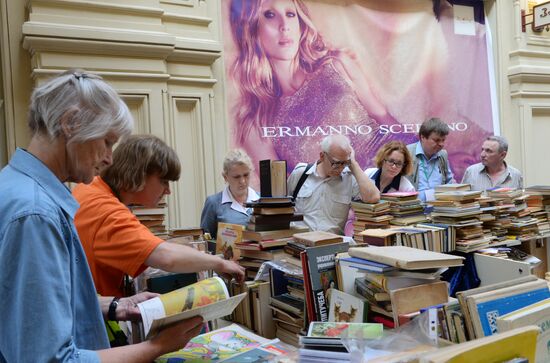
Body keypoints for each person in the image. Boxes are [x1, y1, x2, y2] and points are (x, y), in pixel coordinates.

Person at [0, 70, 203, 362]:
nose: (109, 158)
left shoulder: (19, 187)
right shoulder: (35, 215)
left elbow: (38, 306)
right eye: (107, 141)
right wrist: (156, 347)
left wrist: (114, 306)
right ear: (70, 123)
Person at [228, 0, 400, 175]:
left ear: (301, 24)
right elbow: (280, 190)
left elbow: (386, 121)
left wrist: (417, 158)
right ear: (250, 28)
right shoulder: (256, 121)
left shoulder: (336, 64)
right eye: (270, 15)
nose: (284, 26)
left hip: (390, 182)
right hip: (334, 199)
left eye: (290, 14)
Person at [73, 135, 246, 298]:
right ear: (138, 175)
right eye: (164, 181)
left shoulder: (91, 189)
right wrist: (220, 263)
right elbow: (166, 257)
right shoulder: (107, 212)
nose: (168, 190)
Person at [287, 135, 379, 235]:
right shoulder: (300, 174)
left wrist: (353, 164)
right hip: (299, 243)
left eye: (345, 163)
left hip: (333, 245)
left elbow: (373, 197)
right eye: (336, 163)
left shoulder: (349, 178)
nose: (340, 168)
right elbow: (282, 208)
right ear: (322, 156)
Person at [344, 141, 415, 236]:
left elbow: (408, 221)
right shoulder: (368, 174)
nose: (394, 167)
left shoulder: (407, 188)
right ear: (383, 160)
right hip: (360, 227)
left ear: (404, 166)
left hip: (390, 233)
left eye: (399, 163)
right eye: (391, 161)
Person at [200, 149, 259, 239]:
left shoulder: (262, 200)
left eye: (246, 175)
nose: (242, 181)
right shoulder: (213, 203)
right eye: (236, 177)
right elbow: (206, 241)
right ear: (225, 177)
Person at [406, 117, 455, 201]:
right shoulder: (407, 153)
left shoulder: (443, 155)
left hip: (439, 207)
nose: (441, 144)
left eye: (443, 140)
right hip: (413, 208)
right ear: (423, 137)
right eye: (436, 140)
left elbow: (449, 183)